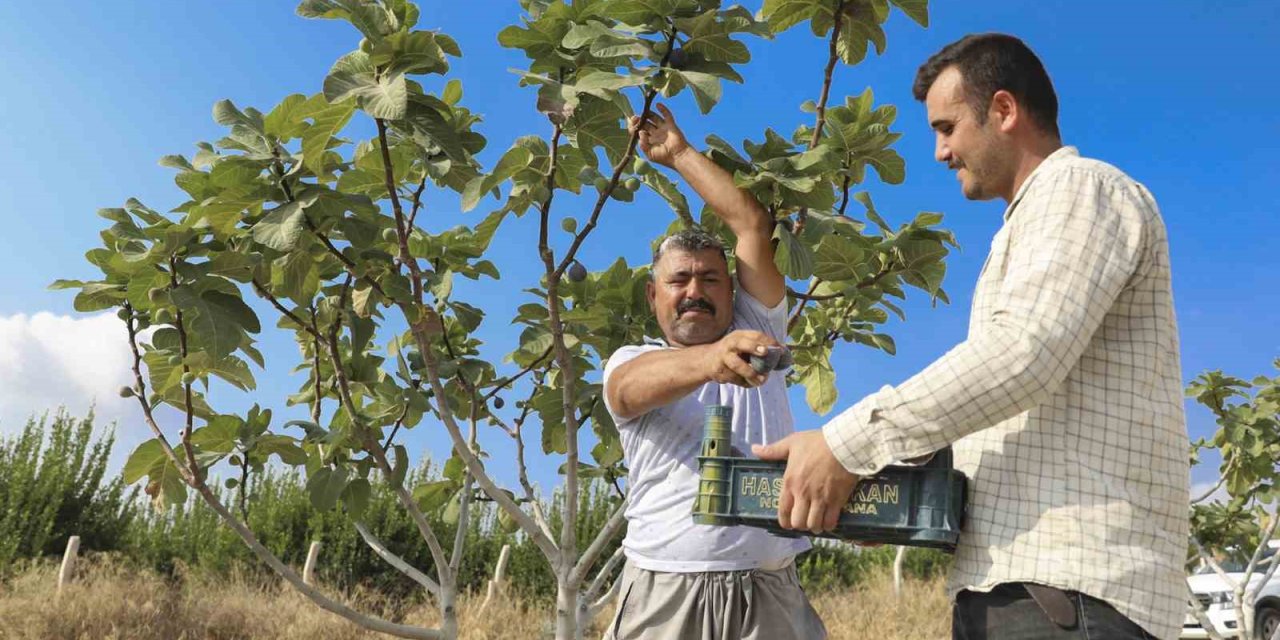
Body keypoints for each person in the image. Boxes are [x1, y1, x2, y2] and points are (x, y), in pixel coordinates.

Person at [753, 33, 1189, 639]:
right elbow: (1014, 389)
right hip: (1032, 589)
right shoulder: (1034, 219)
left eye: (947, 127)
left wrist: (847, 445)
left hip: (1066, 589)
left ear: (1004, 110)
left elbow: (1021, 355)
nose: (940, 151)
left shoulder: (1078, 190)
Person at [599, 104, 826, 640]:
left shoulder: (758, 322)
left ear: (733, 289)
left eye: (710, 279)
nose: (695, 291)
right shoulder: (632, 361)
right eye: (679, 281)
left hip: (769, 587)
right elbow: (628, 392)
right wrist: (711, 360)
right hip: (666, 591)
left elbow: (749, 222)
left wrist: (677, 153)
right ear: (654, 295)